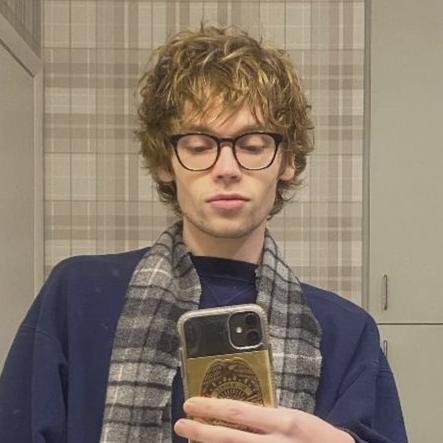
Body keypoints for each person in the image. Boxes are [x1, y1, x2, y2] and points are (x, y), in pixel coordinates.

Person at [0, 24, 407, 443]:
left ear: (287, 162)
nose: (226, 168)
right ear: (165, 162)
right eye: (198, 145)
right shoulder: (78, 296)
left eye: (253, 145)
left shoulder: (345, 332)